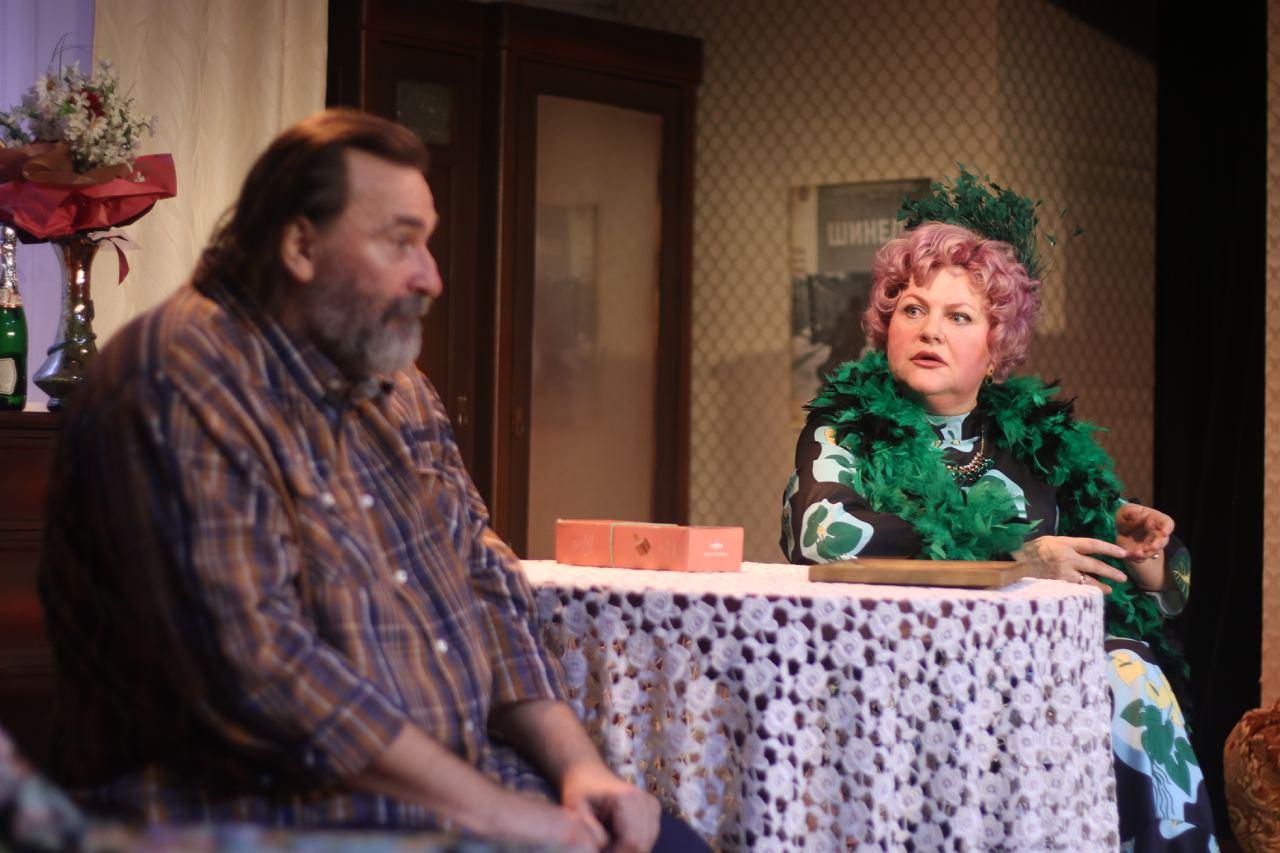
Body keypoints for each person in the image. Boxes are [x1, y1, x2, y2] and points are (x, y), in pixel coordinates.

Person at [38, 108, 706, 852]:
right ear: (300, 244)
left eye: (428, 241)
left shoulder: (397, 385)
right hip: (262, 815)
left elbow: (484, 581)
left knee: (668, 842)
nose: (432, 277)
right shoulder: (177, 380)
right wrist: (501, 815)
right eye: (401, 242)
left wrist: (581, 771)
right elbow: (259, 671)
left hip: (456, 791)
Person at [780, 178, 1216, 850]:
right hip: (905, 671)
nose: (929, 329)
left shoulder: (1035, 445)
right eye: (912, 309)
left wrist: (1142, 555)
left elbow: (1165, 590)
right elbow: (824, 534)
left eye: (958, 317)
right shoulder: (844, 429)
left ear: (996, 346)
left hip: (1040, 675)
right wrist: (1015, 559)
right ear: (886, 327)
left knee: (1133, 674)